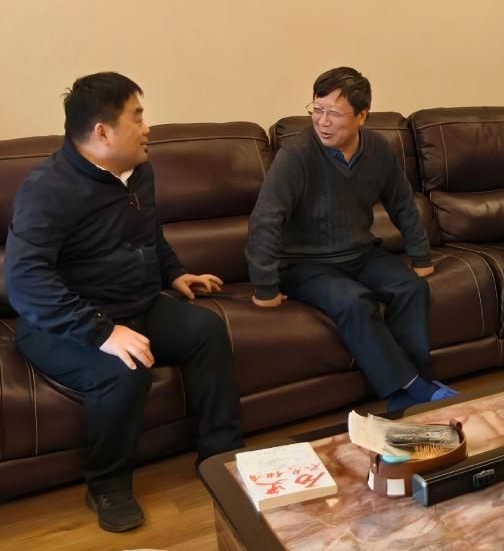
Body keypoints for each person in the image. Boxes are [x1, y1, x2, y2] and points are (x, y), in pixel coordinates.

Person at [5, 73, 244, 533]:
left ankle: (221, 454)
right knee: (123, 371)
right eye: (137, 117)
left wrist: (174, 273)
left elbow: (148, 230)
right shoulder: (47, 190)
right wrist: (102, 332)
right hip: (60, 324)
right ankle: (107, 484)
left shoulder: (138, 171)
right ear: (102, 132)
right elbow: (24, 280)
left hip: (136, 304)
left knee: (207, 330)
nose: (147, 128)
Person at [245, 66, 453, 409]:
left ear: (362, 115)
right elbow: (266, 219)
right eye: (317, 110)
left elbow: (402, 203)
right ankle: (416, 389)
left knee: (411, 288)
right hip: (304, 263)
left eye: (334, 113)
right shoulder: (296, 155)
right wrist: (265, 286)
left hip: (359, 253)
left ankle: (410, 389)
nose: (323, 122)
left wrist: (421, 256)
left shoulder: (378, 150)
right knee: (355, 302)